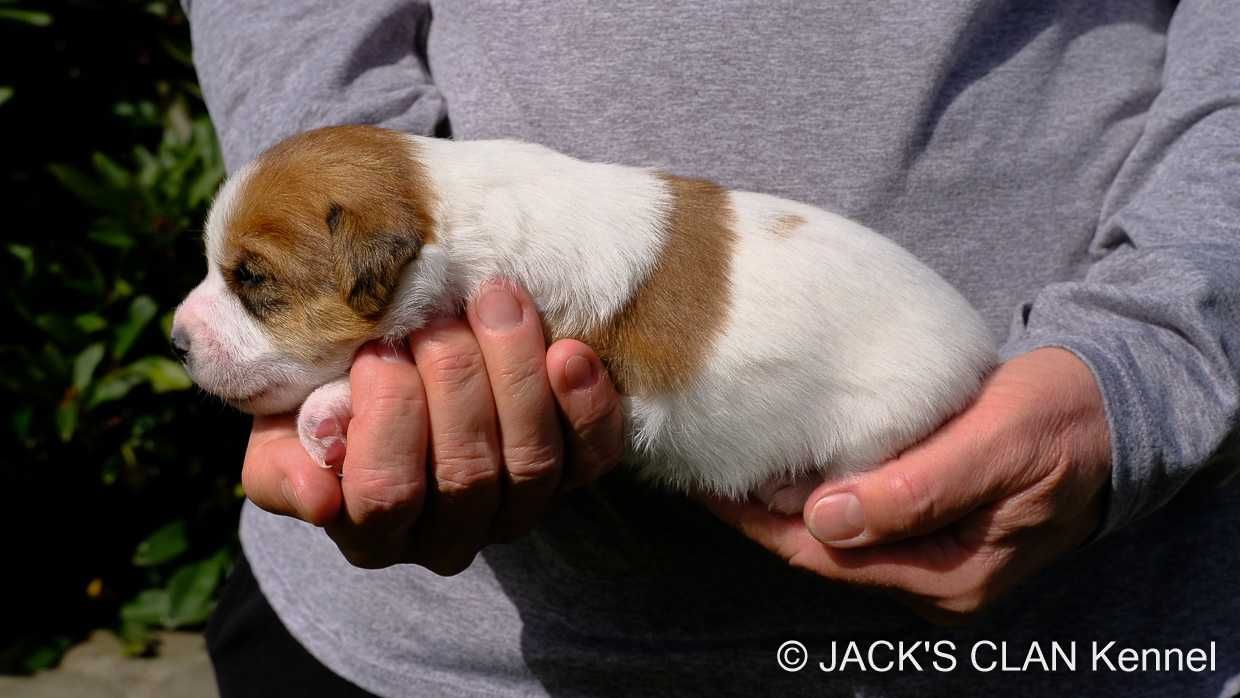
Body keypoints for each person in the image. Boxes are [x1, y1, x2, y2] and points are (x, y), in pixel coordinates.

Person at [183, 1, 1240, 696]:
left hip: (1084, 634)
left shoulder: (434, 249)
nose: (196, 326)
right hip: (421, 655)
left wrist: (1159, 347)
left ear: (394, 263)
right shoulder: (411, 238)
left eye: (256, 285)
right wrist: (323, 145)